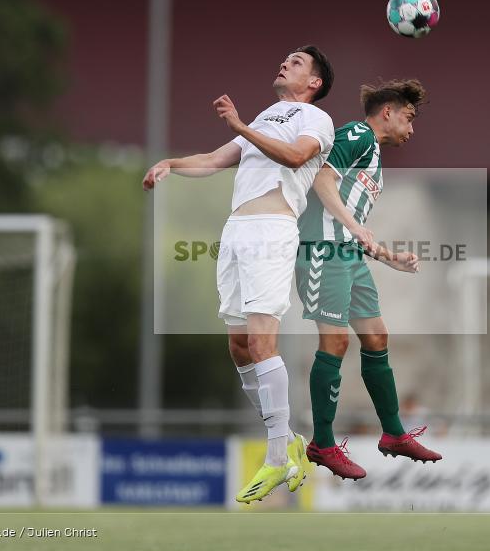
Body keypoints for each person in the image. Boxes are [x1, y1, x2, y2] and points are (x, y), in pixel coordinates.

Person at [142, 46, 335, 503]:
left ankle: (274, 459)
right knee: (239, 345)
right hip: (236, 232)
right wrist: (171, 163)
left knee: (263, 342)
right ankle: (286, 439)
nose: (285, 62)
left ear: (314, 84)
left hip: (272, 230)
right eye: (286, 58)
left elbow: (294, 157)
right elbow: (212, 160)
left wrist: (242, 126)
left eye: (297, 62)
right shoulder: (267, 116)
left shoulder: (316, 121)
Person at [293, 79, 442, 480]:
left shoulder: (373, 156)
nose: (411, 130)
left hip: (349, 254)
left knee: (377, 337)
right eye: (408, 118)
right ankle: (321, 442)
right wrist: (352, 229)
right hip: (323, 247)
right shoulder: (357, 134)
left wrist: (389, 258)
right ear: (387, 113)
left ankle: (393, 433)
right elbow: (322, 179)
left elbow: (353, 222)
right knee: (336, 341)